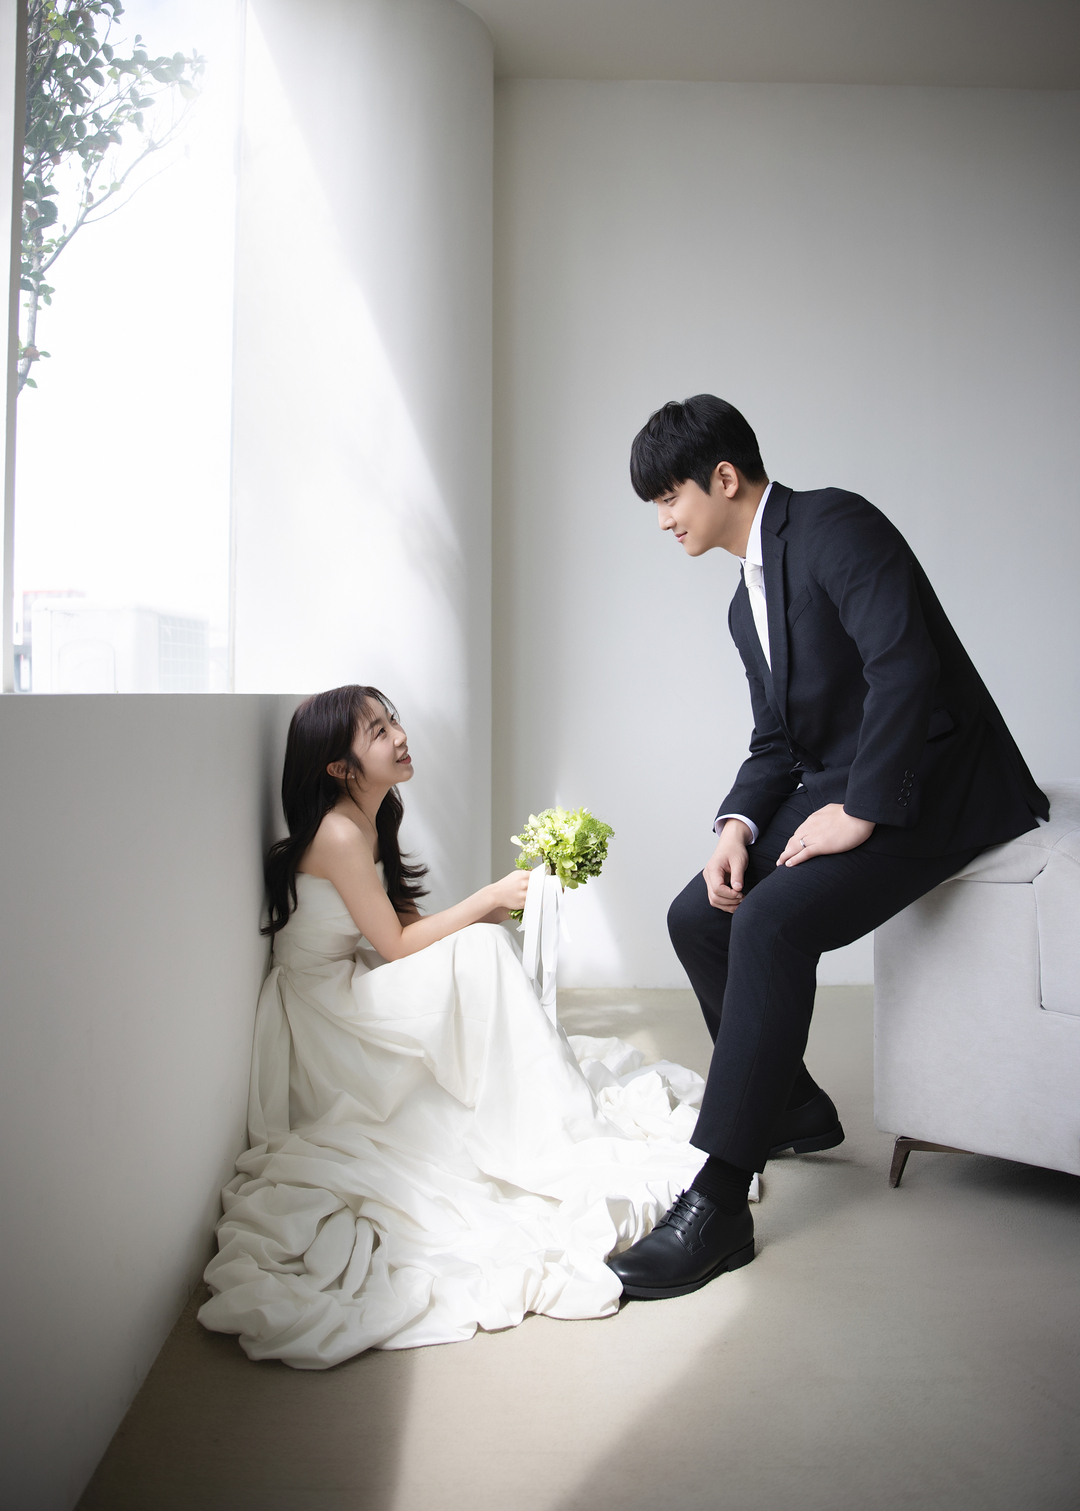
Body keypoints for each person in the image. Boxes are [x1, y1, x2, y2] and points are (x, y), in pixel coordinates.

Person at [607, 395, 1048, 1301]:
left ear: (724, 477)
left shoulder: (837, 523)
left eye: (669, 497)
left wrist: (863, 810)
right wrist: (736, 825)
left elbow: (903, 666)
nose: (662, 519)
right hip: (842, 782)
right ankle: (794, 1108)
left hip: (938, 784)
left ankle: (719, 1204)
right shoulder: (744, 605)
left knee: (771, 920)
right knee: (698, 913)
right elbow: (776, 742)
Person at [199, 684, 707, 1367]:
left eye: (392, 720)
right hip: (324, 1011)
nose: (399, 735)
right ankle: (538, 1122)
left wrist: (494, 907)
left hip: (350, 982)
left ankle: (535, 1108)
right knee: (481, 951)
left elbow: (402, 929)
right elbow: (397, 947)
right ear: (340, 767)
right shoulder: (340, 833)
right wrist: (486, 900)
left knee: (480, 947)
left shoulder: (370, 814)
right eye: (378, 732)